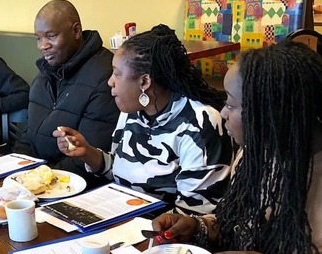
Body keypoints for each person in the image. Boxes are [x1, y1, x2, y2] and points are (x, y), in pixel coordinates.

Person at [152, 41, 322, 254]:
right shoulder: (258, 151)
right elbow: (242, 225)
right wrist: (198, 228)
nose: (224, 113)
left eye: (230, 103)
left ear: (271, 111)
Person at [53, 25, 232, 213]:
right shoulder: (133, 110)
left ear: (145, 82)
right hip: (122, 213)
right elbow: (122, 171)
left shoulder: (199, 123)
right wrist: (87, 152)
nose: (110, 81)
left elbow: (193, 214)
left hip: (162, 231)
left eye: (117, 73)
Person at [15, 0, 120, 178]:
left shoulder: (104, 76)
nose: (42, 46)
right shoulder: (44, 74)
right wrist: (18, 169)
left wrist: (39, 180)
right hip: (38, 180)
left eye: (51, 36)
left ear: (76, 31)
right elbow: (28, 136)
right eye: (39, 38)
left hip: (74, 186)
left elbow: (86, 157)